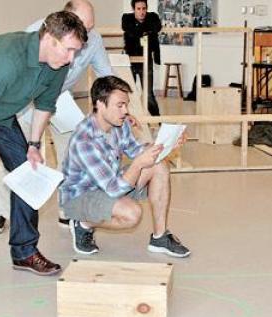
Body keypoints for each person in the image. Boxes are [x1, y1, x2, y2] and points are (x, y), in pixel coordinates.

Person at [0, 11, 88, 288]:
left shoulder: (58, 64)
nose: (72, 59)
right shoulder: (7, 60)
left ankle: (24, 251)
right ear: (50, 38)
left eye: (76, 52)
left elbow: (45, 104)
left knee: (27, 173)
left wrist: (33, 145)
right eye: (69, 50)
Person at [0, 0, 114, 234]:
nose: (88, 33)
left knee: (72, 154)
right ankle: (0, 211)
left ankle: (68, 209)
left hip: (61, 98)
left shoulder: (93, 39)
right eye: (85, 26)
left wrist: (118, 104)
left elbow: (106, 75)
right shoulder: (37, 32)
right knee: (15, 153)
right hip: (27, 100)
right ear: (67, 19)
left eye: (91, 26)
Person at [59, 76, 190, 258]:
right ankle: (82, 223)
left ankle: (160, 237)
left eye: (126, 105)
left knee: (159, 165)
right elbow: (114, 189)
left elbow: (137, 151)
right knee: (131, 214)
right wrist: (137, 165)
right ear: (100, 104)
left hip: (108, 183)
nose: (126, 111)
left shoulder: (119, 124)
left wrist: (168, 145)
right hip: (80, 197)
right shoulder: (85, 141)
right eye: (120, 105)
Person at [122, 0, 161, 116]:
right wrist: (145, 31)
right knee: (128, 93)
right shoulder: (127, 18)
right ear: (134, 9)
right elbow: (128, 29)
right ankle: (128, 122)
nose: (142, 12)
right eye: (139, 9)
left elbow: (157, 27)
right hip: (130, 60)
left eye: (144, 8)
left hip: (146, 60)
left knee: (148, 95)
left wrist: (140, 30)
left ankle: (158, 122)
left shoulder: (153, 17)